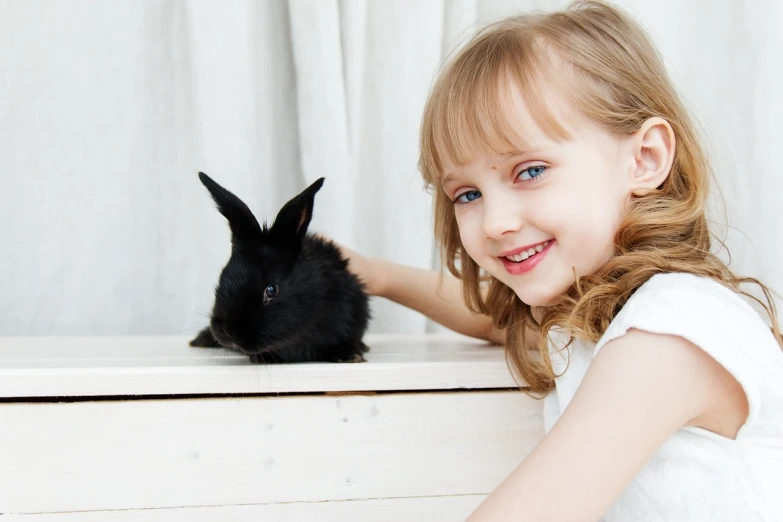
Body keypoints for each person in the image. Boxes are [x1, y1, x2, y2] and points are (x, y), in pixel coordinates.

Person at [333, 1, 783, 520]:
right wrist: (380, 276)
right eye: (467, 194)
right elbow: (491, 319)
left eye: (530, 171)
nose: (495, 221)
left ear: (645, 159)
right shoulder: (597, 319)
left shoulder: (671, 333)